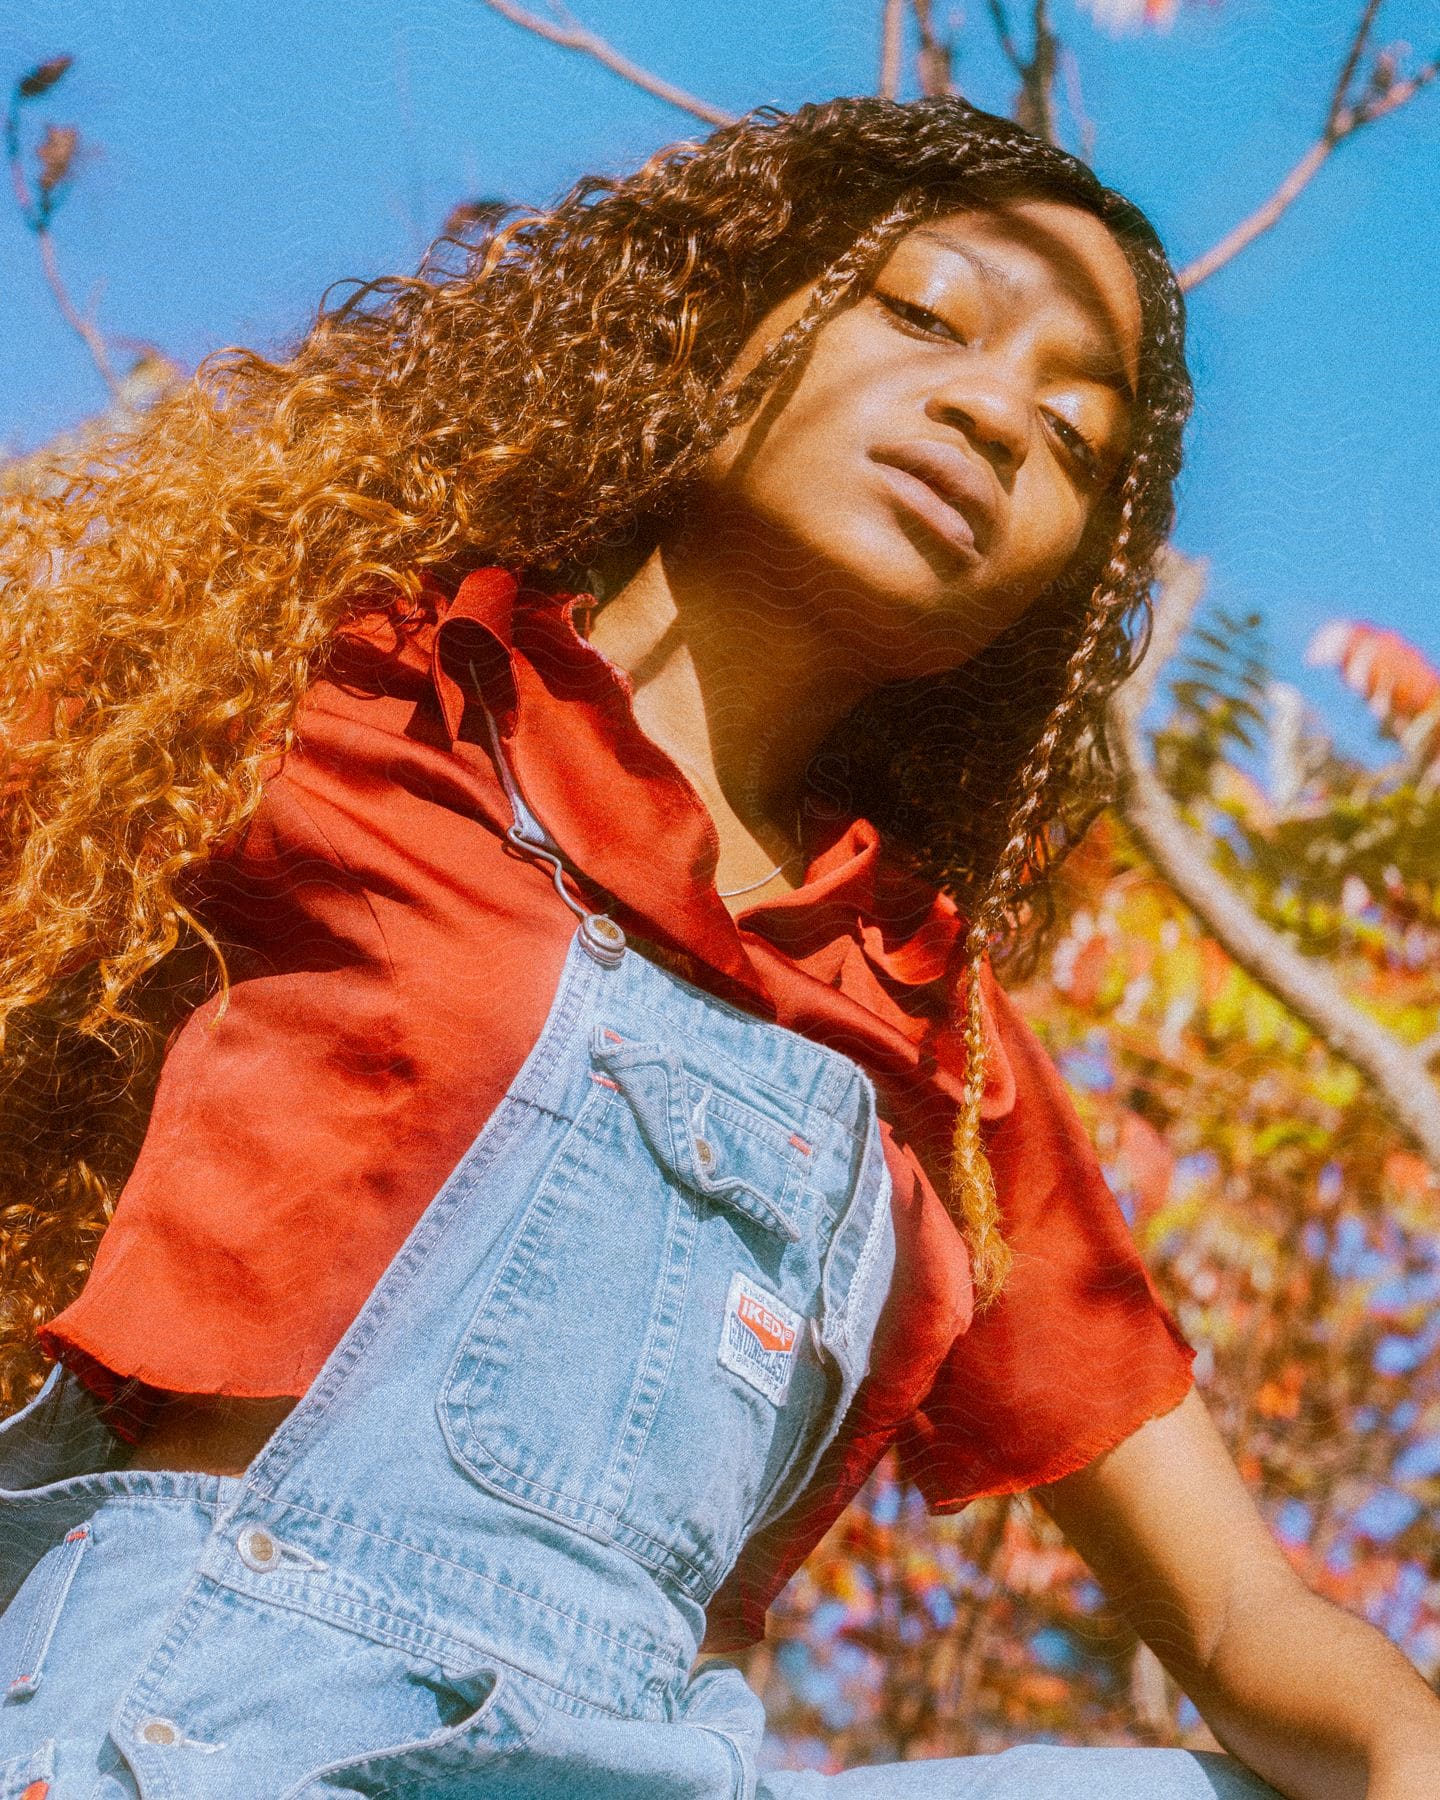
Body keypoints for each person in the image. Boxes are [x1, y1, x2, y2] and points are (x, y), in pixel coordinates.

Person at [0, 93, 1435, 1800]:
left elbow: (1239, 1617)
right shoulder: (326, 700)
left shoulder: (933, 1039)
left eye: (1075, 436)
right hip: (220, 1724)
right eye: (927, 318)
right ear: (724, 314)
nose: (996, 414)